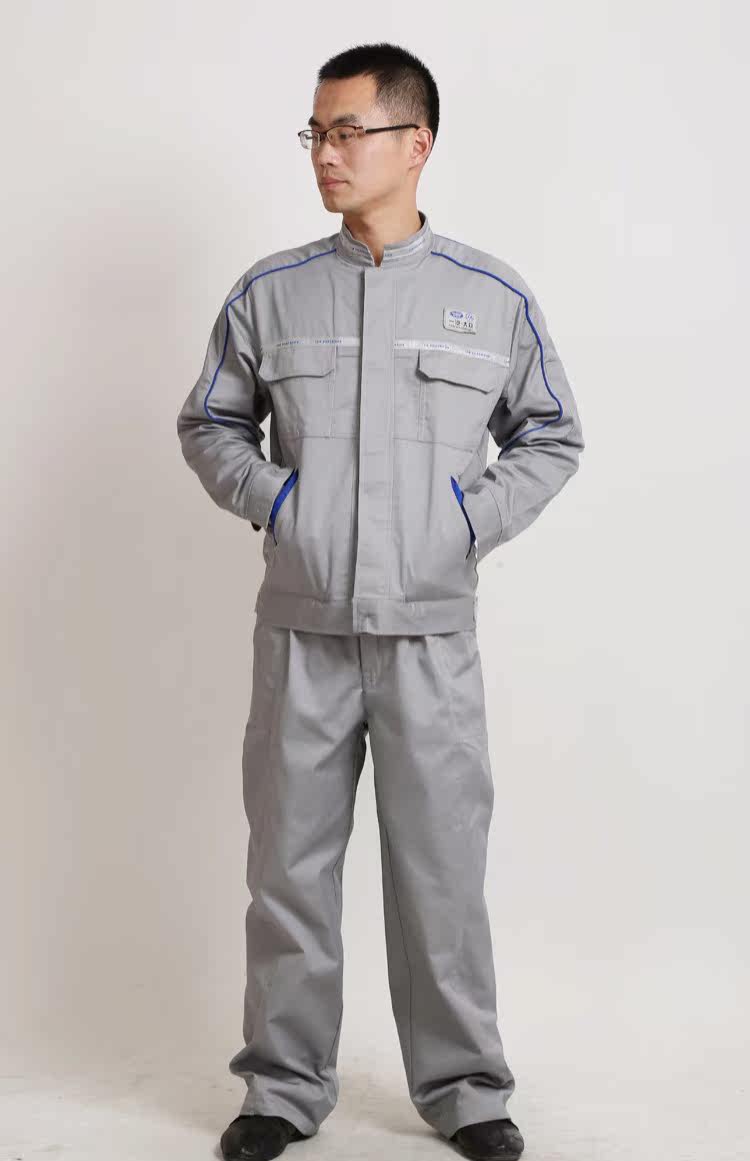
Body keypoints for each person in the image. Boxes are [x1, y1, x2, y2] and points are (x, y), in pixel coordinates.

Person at [176, 41, 584, 1161]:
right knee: (288, 874)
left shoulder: (489, 298)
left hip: (430, 640)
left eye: (349, 131)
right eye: (316, 132)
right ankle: (279, 1089)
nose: (327, 153)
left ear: (418, 143)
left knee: (441, 874)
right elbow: (210, 423)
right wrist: (279, 500)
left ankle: (468, 1091)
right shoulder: (270, 293)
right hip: (300, 634)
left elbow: (552, 436)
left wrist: (465, 524)